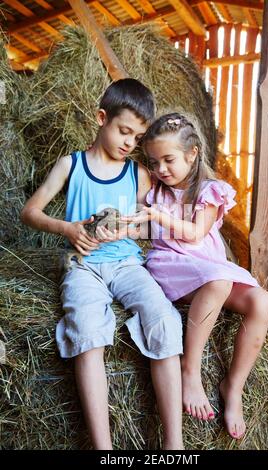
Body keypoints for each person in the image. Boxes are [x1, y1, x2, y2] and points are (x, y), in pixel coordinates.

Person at [20, 81, 184, 450]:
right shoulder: (71, 164)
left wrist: (130, 227)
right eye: (124, 131)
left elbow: (150, 222)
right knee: (88, 331)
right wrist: (68, 228)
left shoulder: (137, 173)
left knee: (163, 318)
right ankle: (103, 448)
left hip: (128, 263)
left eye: (138, 137)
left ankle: (174, 445)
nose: (130, 142)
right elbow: (29, 211)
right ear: (101, 118)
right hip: (83, 266)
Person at [123, 112, 268, 440]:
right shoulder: (154, 190)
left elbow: (195, 234)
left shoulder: (209, 190)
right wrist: (126, 225)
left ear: (192, 155)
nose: (161, 169)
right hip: (171, 264)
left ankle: (233, 387)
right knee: (217, 282)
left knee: (262, 301)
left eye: (169, 159)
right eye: (154, 161)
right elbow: (145, 225)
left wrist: (158, 215)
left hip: (205, 262)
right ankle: (190, 370)